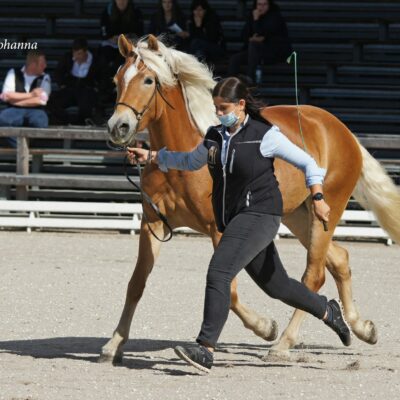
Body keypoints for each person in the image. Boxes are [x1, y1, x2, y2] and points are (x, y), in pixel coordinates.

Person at [126, 77, 352, 373]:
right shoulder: (215, 136)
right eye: (216, 108)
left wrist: (318, 197)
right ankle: (327, 310)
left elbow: (309, 163)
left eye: (224, 108)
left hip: (261, 215)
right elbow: (191, 161)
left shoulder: (265, 135)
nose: (219, 113)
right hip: (235, 217)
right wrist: (153, 156)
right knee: (277, 286)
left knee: (219, 272)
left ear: (241, 105)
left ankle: (205, 348)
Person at [228, 0, 292, 83]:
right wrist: (250, 38)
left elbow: (263, 34)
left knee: (254, 44)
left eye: (265, 4)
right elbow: (244, 35)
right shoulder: (253, 15)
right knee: (235, 58)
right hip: (254, 52)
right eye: (259, 4)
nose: (261, 7)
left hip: (273, 52)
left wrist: (256, 20)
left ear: (269, 5)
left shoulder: (275, 17)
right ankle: (228, 83)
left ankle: (250, 77)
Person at [0, 50, 51, 147]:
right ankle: (21, 148)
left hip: (35, 110)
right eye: (42, 63)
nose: (45, 66)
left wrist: (15, 100)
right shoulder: (13, 73)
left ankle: (27, 147)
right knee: (3, 119)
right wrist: (32, 95)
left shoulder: (45, 77)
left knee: (40, 122)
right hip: (13, 110)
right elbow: (6, 95)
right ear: (33, 64)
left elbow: (41, 100)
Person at [98, 0, 144, 101]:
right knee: (104, 61)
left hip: (129, 45)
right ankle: (106, 92)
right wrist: (111, 37)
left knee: (124, 61)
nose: (122, 2)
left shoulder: (135, 11)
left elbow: (140, 31)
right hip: (111, 44)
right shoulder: (108, 11)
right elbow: (103, 31)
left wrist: (129, 37)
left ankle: (126, 91)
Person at [48, 38, 100, 125]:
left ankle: (81, 123)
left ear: (85, 51)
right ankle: (66, 120)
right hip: (70, 88)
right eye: (75, 53)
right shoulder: (68, 57)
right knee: (51, 101)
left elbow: (103, 76)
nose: (76, 56)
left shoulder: (96, 60)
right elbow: (58, 72)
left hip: (87, 89)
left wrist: (97, 88)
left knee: (86, 104)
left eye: (79, 54)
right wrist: (62, 84)